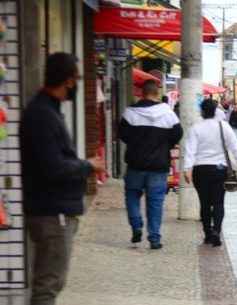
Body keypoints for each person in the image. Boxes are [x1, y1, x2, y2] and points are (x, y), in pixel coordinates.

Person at [22, 52, 105, 305]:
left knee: (51, 281)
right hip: (51, 212)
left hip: (52, 209)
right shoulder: (42, 115)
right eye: (77, 78)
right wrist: (87, 165)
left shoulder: (47, 111)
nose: (77, 85)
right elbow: (54, 167)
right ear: (69, 80)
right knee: (48, 283)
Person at [119, 80, 183, 249]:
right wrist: (165, 145)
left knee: (132, 196)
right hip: (159, 166)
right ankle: (154, 238)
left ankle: (136, 226)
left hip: (135, 165)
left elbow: (122, 135)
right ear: (156, 93)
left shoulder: (130, 113)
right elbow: (177, 135)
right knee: (155, 203)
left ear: (142, 93)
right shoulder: (168, 114)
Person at [183, 99, 237, 247]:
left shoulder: (196, 128)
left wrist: (187, 168)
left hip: (200, 170)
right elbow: (235, 147)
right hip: (219, 169)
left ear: (202, 112)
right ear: (215, 111)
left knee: (204, 203)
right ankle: (216, 231)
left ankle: (207, 233)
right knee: (219, 202)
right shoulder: (223, 126)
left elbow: (190, 150)